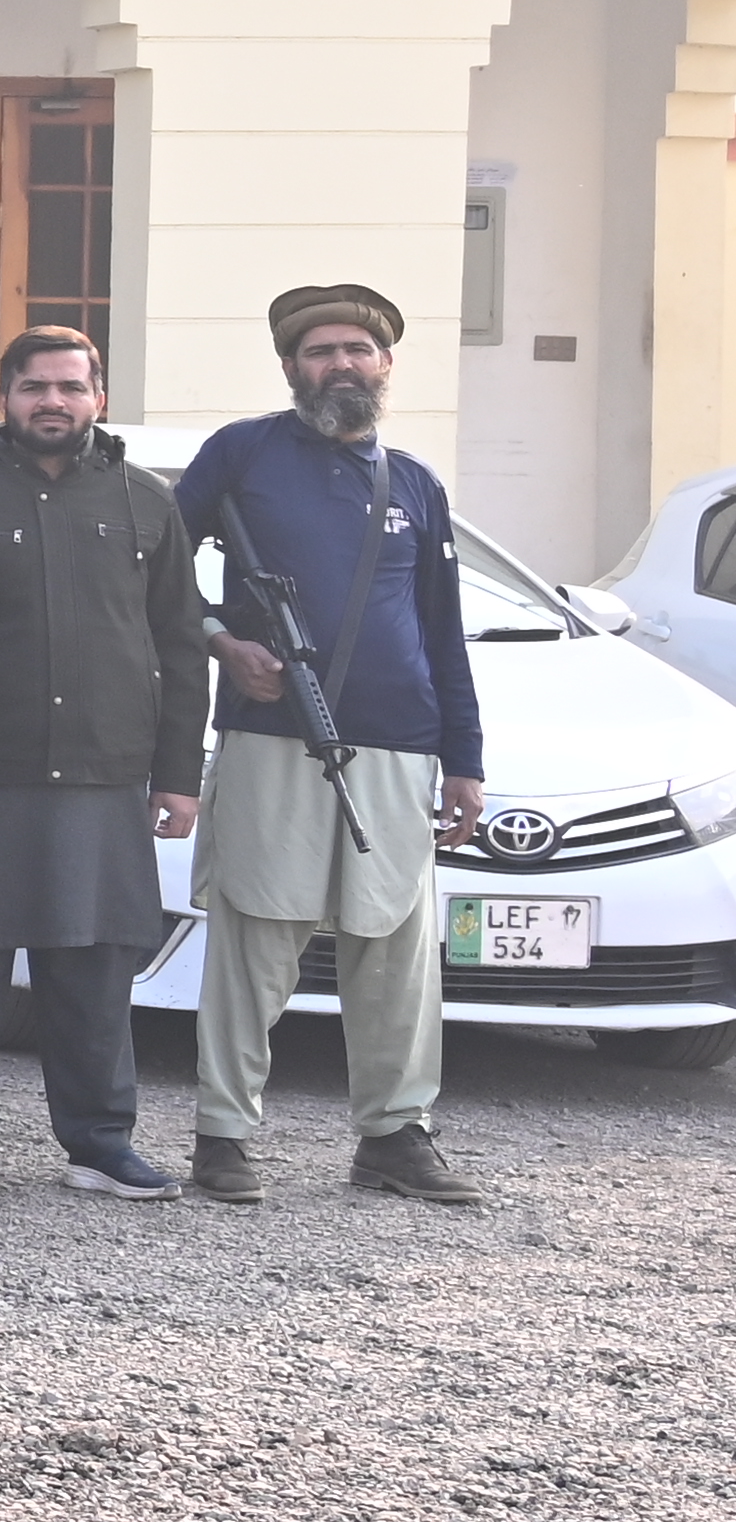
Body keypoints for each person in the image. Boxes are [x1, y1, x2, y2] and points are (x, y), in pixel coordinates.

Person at [177, 283, 494, 1208]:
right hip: (273, 735)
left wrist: (465, 761)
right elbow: (155, 570)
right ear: (290, 368)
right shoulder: (241, 453)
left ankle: (396, 1136)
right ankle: (224, 1135)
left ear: (387, 365)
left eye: (359, 349)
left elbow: (443, 632)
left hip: (399, 747)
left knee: (395, 951)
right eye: (321, 352)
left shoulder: (417, 484)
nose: (341, 364)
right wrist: (220, 643)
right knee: (257, 939)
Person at [0, 327, 203, 1199]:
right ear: (7, 396)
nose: (53, 402)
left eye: (71, 387)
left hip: (107, 780)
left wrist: (179, 775)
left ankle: (101, 1143)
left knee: (95, 972)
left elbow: (178, 643)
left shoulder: (146, 502)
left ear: (98, 396)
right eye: (35, 387)